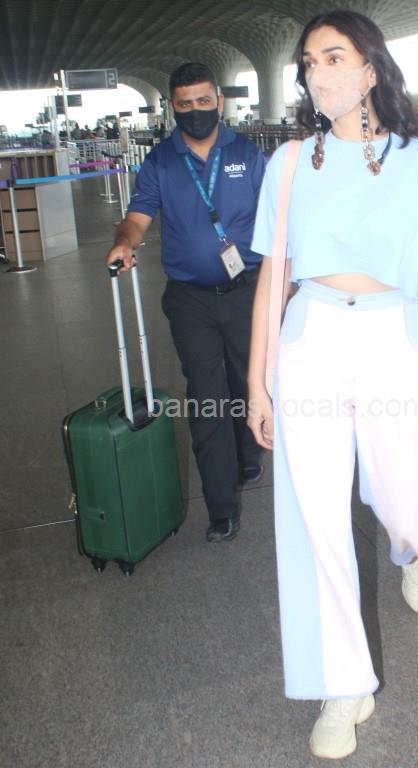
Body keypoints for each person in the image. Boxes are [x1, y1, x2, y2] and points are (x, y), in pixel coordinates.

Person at [247, 10, 418, 761]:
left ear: (371, 68)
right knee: (314, 517)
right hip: (310, 337)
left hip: (393, 337)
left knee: (402, 494)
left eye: (334, 57)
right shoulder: (289, 163)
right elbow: (272, 278)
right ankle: (343, 686)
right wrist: (258, 380)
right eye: (309, 62)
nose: (318, 73)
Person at [106, 62, 266, 543]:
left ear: (219, 100)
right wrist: (124, 242)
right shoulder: (161, 161)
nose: (195, 110)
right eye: (185, 104)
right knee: (207, 395)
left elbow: (278, 218)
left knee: (247, 381)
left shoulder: (248, 154)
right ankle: (221, 507)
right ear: (172, 107)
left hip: (247, 292)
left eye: (203, 101)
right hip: (190, 299)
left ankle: (248, 454)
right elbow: (137, 216)